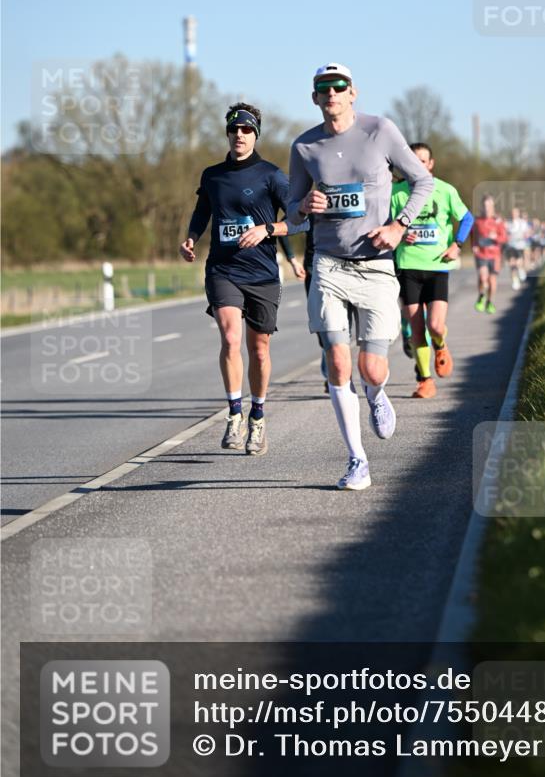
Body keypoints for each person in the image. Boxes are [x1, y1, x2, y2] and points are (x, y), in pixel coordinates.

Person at [287, 62, 433, 491]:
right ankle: (357, 460)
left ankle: (376, 393)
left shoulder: (380, 131)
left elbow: (422, 181)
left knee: (371, 367)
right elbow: (293, 215)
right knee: (337, 359)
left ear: (353, 93)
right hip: (328, 264)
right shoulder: (304, 147)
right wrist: (302, 208)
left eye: (338, 86)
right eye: (322, 88)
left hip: (375, 264)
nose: (331, 93)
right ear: (315, 98)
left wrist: (398, 225)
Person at [180, 102, 307, 457]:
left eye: (247, 130)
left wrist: (268, 228)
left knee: (260, 349)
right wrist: (191, 237)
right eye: (235, 129)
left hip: (263, 273)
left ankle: (258, 417)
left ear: (256, 134)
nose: (240, 135)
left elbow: (300, 220)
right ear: (228, 133)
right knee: (231, 337)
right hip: (223, 269)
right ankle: (234, 413)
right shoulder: (212, 175)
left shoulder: (272, 175)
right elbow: (202, 211)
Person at [391, 143, 473, 399]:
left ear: (431, 164)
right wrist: (402, 235)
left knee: (435, 325)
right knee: (416, 328)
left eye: (423, 161)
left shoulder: (445, 190)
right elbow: (386, 225)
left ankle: (440, 345)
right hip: (408, 266)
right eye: (413, 161)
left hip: (437, 266)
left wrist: (456, 245)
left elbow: (467, 218)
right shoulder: (397, 193)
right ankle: (425, 380)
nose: (419, 165)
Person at [472, 195, 507, 314]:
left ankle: (490, 302)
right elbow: (473, 234)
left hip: (495, 255)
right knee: (483, 277)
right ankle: (481, 295)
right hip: (482, 254)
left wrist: (496, 237)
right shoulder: (477, 220)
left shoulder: (498, 220)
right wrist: (474, 246)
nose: (487, 208)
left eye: (489, 206)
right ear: (482, 206)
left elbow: (504, 238)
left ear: (493, 207)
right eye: (485, 206)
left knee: (492, 282)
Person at [505, 205, 530, 290]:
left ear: (518, 213)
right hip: (510, 246)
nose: (513, 214)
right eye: (512, 213)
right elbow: (504, 234)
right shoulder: (508, 223)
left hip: (520, 246)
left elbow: (527, 232)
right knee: (512, 264)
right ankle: (515, 281)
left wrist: (526, 235)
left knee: (518, 263)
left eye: (515, 212)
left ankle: (521, 270)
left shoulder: (522, 223)